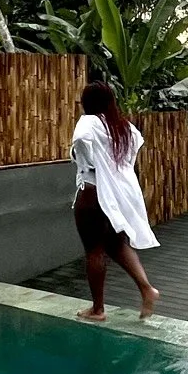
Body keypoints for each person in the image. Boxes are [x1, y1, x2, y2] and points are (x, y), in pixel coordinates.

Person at [70, 81, 161, 321]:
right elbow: (134, 148)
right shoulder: (125, 127)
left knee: (94, 250)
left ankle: (98, 309)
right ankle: (147, 289)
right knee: (116, 244)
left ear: (86, 103)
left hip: (93, 191)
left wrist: (91, 162)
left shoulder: (88, 122)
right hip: (119, 194)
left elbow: (80, 139)